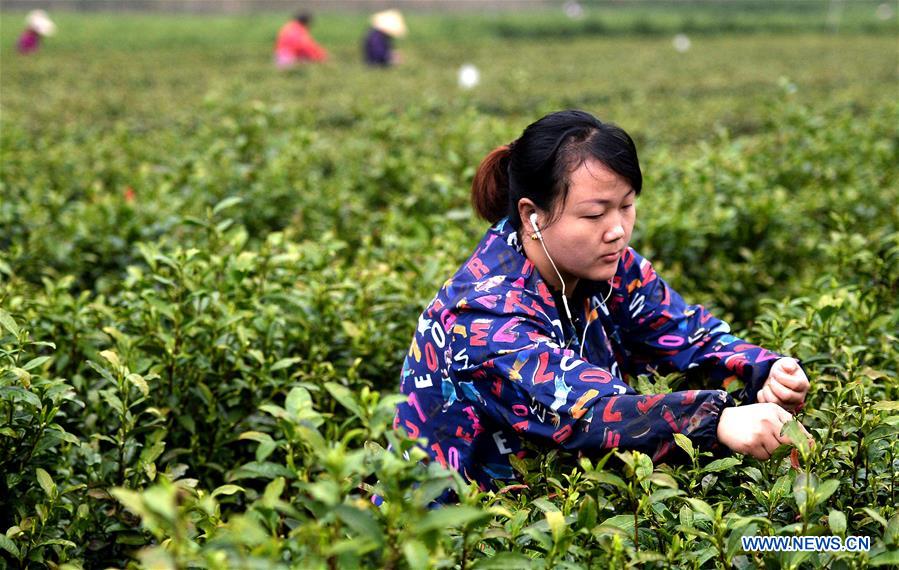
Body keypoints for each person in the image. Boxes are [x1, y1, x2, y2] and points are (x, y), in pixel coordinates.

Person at [395, 110, 811, 495]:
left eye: (626, 206)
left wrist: (764, 369)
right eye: (595, 215)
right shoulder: (482, 315)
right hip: (456, 536)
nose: (617, 231)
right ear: (531, 216)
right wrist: (716, 419)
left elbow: (687, 334)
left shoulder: (613, 269)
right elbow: (585, 412)